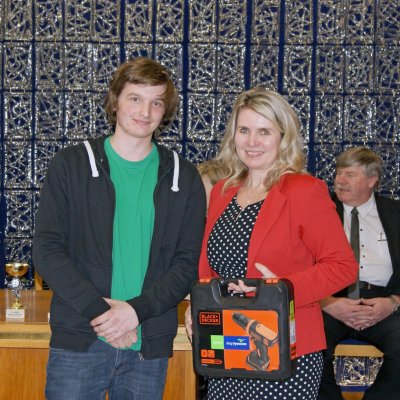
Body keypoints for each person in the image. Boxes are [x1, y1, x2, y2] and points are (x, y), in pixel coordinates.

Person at [32, 57, 206, 400]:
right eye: (135, 98)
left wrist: (135, 312)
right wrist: (104, 315)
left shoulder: (183, 176)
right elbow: (47, 251)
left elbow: (187, 264)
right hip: (81, 340)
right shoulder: (71, 164)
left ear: (165, 110)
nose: (145, 111)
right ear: (115, 101)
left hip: (147, 346)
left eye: (157, 102)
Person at [185, 87, 358, 400]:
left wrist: (281, 289)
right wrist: (199, 308)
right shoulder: (223, 191)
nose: (252, 141)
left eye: (264, 131)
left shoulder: (304, 190)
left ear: (283, 136)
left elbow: (343, 267)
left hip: (286, 350)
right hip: (229, 346)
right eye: (244, 130)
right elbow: (209, 269)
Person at [318, 147, 400, 400]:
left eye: (350, 175)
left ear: (372, 180)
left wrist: (393, 302)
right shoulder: (319, 211)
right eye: (338, 173)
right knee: (308, 347)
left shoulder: (395, 214)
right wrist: (326, 302)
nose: (340, 180)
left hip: (383, 303)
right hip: (330, 302)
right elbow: (298, 263)